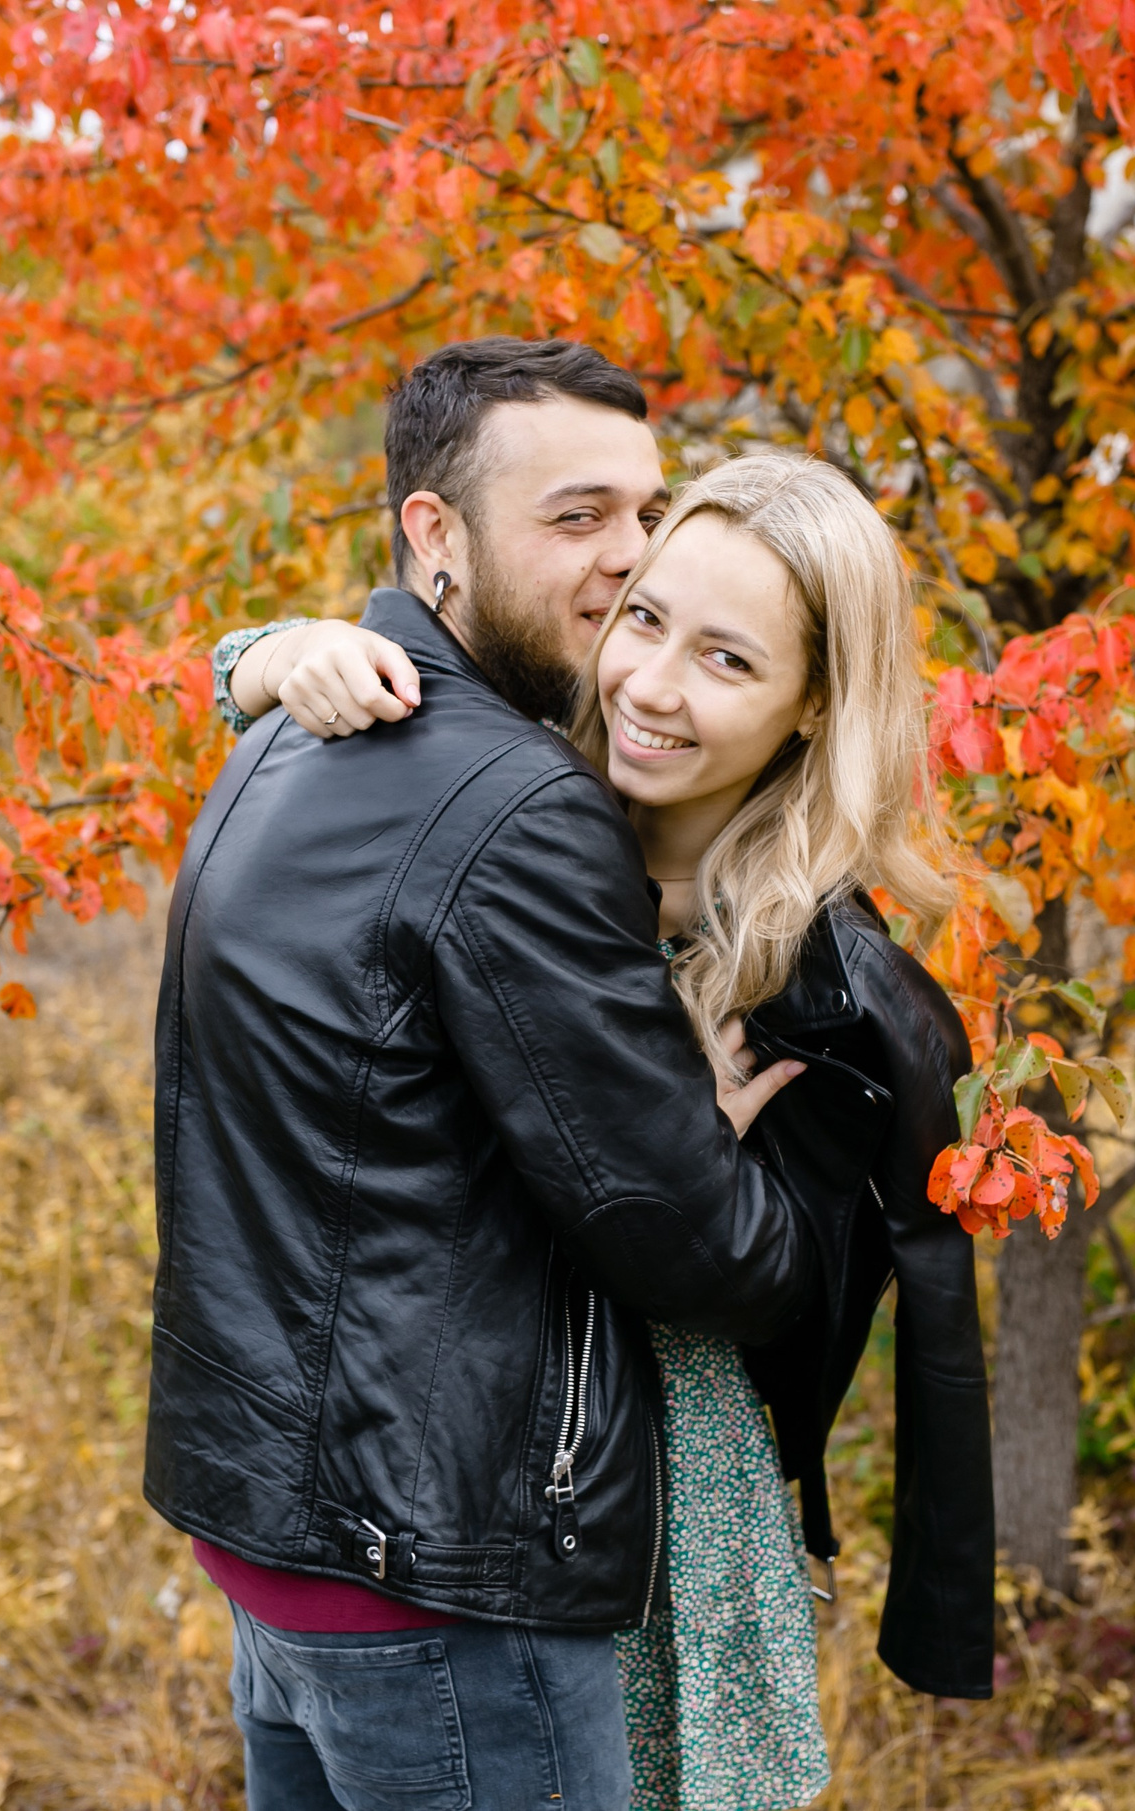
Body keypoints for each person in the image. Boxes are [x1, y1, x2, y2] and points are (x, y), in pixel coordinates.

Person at [222, 439, 999, 1810]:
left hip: (649, 1530)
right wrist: (275, 653)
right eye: (644, 619)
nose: (648, 684)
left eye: (729, 660)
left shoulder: (812, 982)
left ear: (817, 704)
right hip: (414, 1504)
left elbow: (791, 1310)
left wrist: (672, 1149)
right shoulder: (514, 802)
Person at [152, 337, 820, 1811]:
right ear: (434, 535)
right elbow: (699, 1249)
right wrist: (737, 1173)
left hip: (281, 1530)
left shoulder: (283, 734)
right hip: (433, 1573)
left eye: (645, 514)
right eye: (575, 517)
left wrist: (259, 652)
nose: (626, 558)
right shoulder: (519, 807)